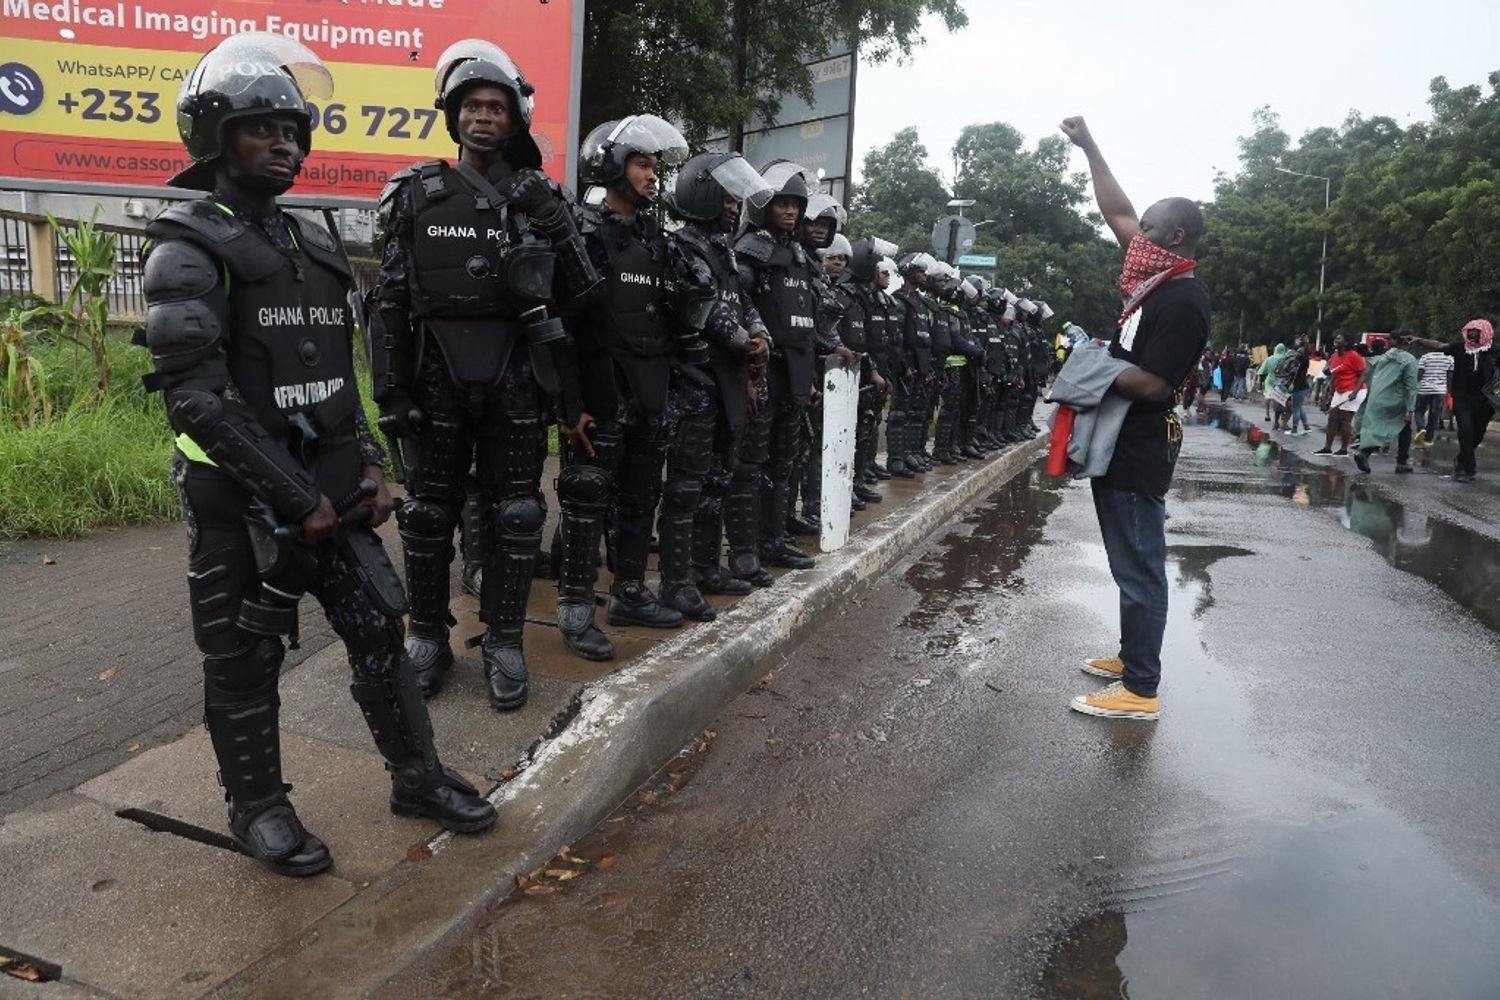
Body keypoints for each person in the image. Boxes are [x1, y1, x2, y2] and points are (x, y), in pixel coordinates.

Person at [140, 33, 495, 876]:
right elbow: (195, 395)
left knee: (379, 629)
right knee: (245, 655)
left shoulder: (315, 244)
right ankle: (257, 809)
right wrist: (295, 497)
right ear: (215, 134)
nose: (286, 145)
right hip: (244, 505)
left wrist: (371, 465)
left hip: (335, 493)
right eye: (264, 128)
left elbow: (342, 374)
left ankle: (417, 776)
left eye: (295, 130)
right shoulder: (186, 245)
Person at [373, 39, 599, 706]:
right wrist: (390, 390)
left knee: (519, 512)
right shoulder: (415, 194)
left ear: (513, 121)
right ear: (454, 116)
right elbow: (388, 302)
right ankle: (426, 637)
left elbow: (584, 295)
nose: (483, 117)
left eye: (496, 108)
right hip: (436, 369)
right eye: (472, 106)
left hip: (517, 373)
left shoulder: (538, 196)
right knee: (423, 514)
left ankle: (503, 639)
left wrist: (556, 221)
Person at [1060, 115, 1211, 722]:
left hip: (1141, 443)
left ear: (1174, 236)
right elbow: (1117, 212)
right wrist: (1090, 146)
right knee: (1128, 559)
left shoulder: (1182, 299)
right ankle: (1131, 657)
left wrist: (1087, 364)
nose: (1133, 235)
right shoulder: (1155, 281)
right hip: (1122, 439)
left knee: (1139, 564)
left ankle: (1140, 691)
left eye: (1148, 229)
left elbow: (1153, 385)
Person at [554, 114, 711, 660]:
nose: (653, 176)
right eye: (643, 164)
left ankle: (627, 592)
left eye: (654, 166)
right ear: (612, 165)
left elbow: (674, 320)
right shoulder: (584, 233)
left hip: (650, 392)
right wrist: (570, 405)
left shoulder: (657, 241)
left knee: (640, 497)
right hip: (600, 394)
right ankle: (575, 607)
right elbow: (562, 328)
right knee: (586, 498)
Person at [663, 152, 774, 597]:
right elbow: (704, 309)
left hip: (727, 385)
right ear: (701, 191)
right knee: (686, 487)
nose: (733, 206)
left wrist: (760, 333)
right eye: (727, 197)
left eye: (736, 199)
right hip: (695, 384)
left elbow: (744, 303)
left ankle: (705, 567)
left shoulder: (721, 251)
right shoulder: (682, 246)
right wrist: (745, 342)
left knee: (717, 482)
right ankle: (677, 580)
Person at [737, 161, 821, 569]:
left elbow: (811, 319)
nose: (790, 211)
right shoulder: (752, 251)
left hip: (797, 372)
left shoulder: (802, 257)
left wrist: (814, 377)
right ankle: (747, 548)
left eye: (795, 205)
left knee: (785, 461)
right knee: (753, 464)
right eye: (782, 203)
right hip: (764, 371)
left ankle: (776, 538)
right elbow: (739, 305)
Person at [1407, 320, 1496, 483]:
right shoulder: (1459, 348)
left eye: (1476, 332)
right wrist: (1418, 339)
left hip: (1485, 401)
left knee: (1477, 434)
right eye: (1470, 332)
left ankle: (1462, 459)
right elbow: (1440, 346)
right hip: (1463, 399)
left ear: (1486, 333)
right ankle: (1466, 470)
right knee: (1465, 431)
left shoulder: (1494, 352)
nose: (1472, 335)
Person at [1352, 338, 1417, 475]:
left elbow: (1367, 374)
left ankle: (1364, 453)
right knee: (1402, 430)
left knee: (1378, 428)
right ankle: (1401, 462)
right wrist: (1410, 409)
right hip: (1397, 400)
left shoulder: (1383, 358)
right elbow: (1411, 387)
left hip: (1378, 398)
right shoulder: (1409, 360)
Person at [1313, 334, 1366, 457]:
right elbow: (1333, 375)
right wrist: (1331, 392)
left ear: (1346, 343)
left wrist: (1355, 392)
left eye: (1339, 339)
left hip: (1354, 389)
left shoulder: (1354, 356)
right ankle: (1327, 448)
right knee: (1332, 419)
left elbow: (1363, 375)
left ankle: (1343, 449)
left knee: (1344, 420)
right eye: (1335, 338)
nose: (1335, 340)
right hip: (1340, 389)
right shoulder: (1334, 356)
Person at [1413, 343, 1454, 446]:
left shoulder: (1425, 357)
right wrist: (1448, 391)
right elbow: (1450, 376)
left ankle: (1421, 428)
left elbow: (1420, 374)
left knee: (1419, 410)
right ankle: (1428, 439)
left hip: (1424, 389)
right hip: (1440, 391)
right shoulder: (1449, 358)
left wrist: (1415, 385)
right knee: (1434, 414)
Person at [1283, 335, 1313, 435]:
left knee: (1295, 409)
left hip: (1298, 386)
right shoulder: (1306, 361)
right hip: (1304, 385)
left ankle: (1294, 429)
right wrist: (1304, 343)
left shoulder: (1297, 363)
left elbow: (1289, 373)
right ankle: (1306, 426)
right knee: (1299, 407)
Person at [1258, 343, 1286, 423]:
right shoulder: (1285, 359)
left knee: (1268, 396)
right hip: (1281, 380)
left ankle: (1267, 414)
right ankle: (1282, 415)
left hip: (1270, 380)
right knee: (1281, 398)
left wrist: (1261, 383)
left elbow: (1261, 371)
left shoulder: (1269, 359)